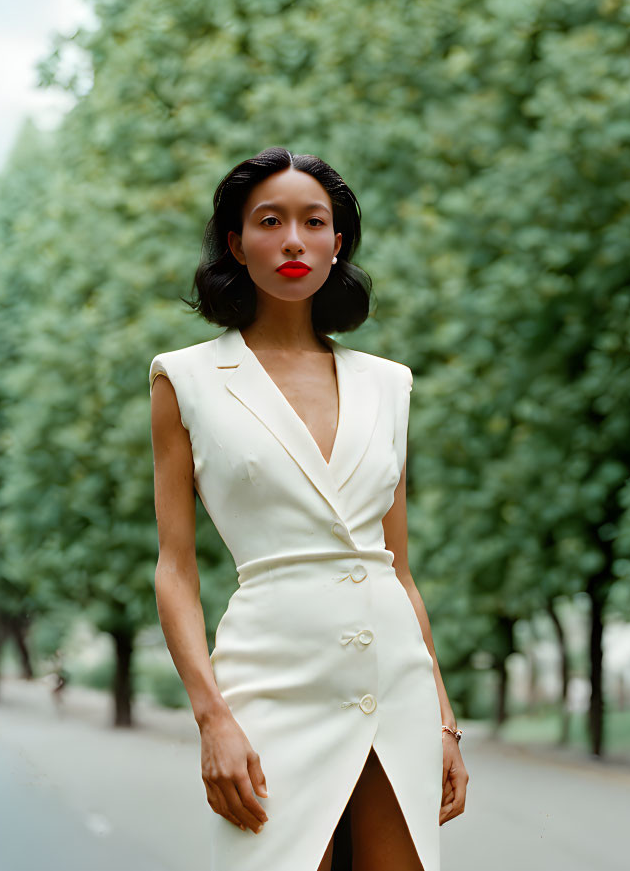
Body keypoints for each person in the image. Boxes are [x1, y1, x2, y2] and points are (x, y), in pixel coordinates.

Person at [150, 148, 468, 871]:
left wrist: (444, 719)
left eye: (312, 221)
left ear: (337, 242)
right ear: (236, 242)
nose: (293, 240)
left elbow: (400, 573)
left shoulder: (388, 386)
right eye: (270, 220)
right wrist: (211, 717)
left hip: (396, 687)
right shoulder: (186, 379)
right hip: (268, 682)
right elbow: (174, 569)